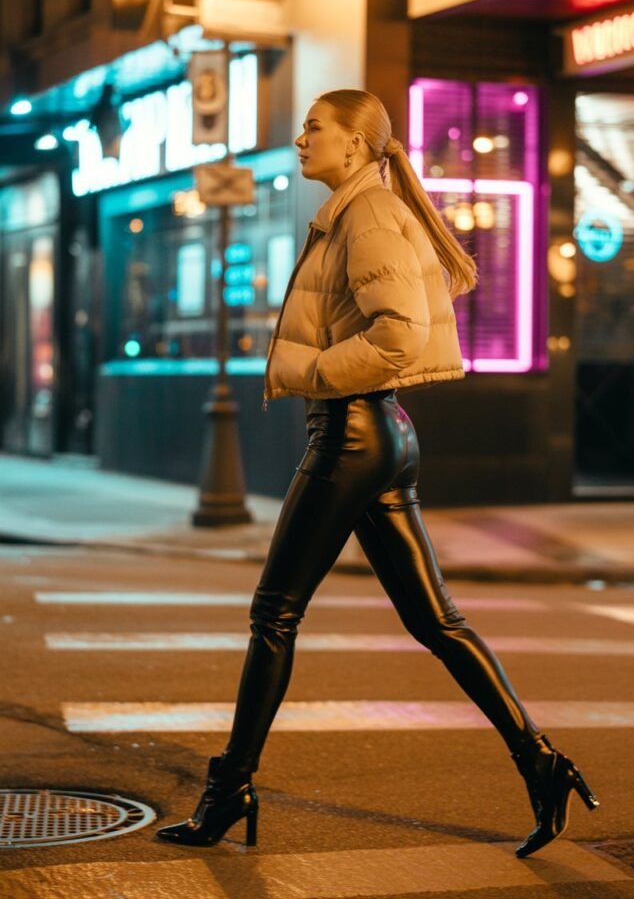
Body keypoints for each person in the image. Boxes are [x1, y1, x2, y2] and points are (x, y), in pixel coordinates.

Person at [156, 89, 598, 857]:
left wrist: (319, 373)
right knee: (436, 621)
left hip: (353, 434)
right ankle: (542, 761)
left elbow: (397, 334)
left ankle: (229, 792)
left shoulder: (366, 216)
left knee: (273, 614)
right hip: (379, 430)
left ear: (357, 146)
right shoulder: (358, 210)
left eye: (315, 129)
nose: (300, 140)